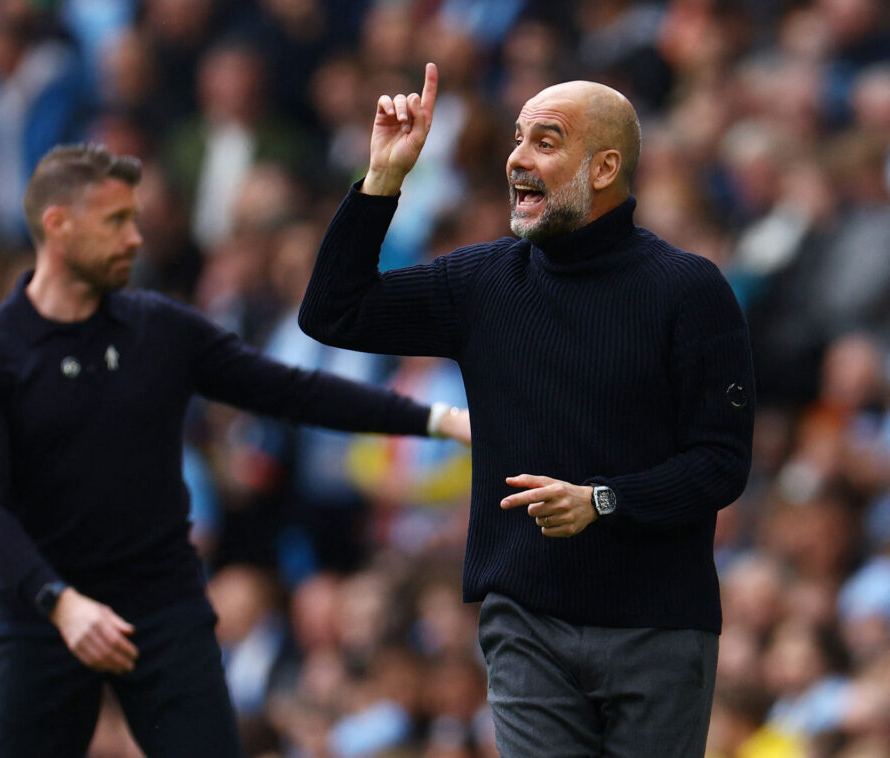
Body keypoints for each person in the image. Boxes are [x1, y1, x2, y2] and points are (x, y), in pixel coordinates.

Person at [0, 143, 470, 758]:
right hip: (44, 619)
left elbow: (291, 392)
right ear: (57, 226)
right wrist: (60, 604)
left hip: (164, 614)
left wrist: (434, 418)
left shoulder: (158, 329)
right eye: (115, 221)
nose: (136, 238)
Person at [298, 63, 755, 756]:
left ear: (604, 167)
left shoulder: (688, 291)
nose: (516, 157)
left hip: (658, 628)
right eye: (517, 139)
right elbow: (333, 312)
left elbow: (722, 464)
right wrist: (384, 178)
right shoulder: (482, 282)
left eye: (545, 141)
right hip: (526, 625)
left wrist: (604, 500)